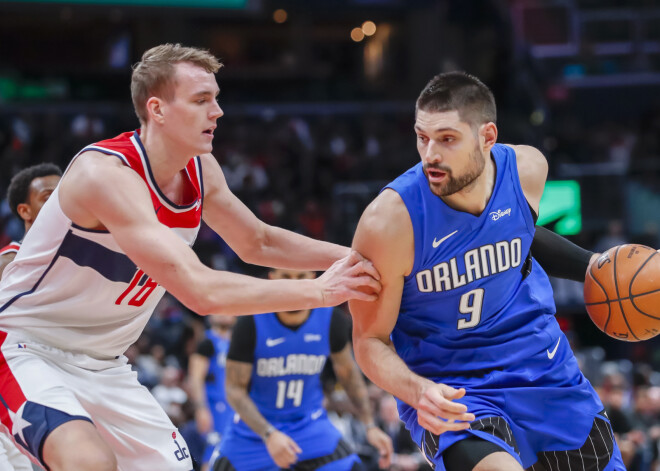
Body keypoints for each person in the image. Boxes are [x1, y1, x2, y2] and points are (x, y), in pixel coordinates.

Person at [0, 44, 380, 471]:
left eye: (215, 99)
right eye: (202, 100)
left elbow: (258, 241)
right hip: (26, 346)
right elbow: (200, 291)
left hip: (105, 364)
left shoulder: (202, 168)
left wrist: (358, 258)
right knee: (87, 461)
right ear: (157, 109)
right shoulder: (103, 174)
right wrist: (321, 290)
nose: (217, 112)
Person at [349, 71, 625, 471]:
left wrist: (593, 266)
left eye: (447, 139)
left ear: (487, 136)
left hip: (545, 371)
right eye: (422, 137)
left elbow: (519, 232)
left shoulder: (528, 169)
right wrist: (418, 391)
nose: (430, 155)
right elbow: (369, 340)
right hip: (454, 391)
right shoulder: (389, 222)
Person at [210, 268, 393, 471]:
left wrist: (370, 425)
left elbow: (349, 375)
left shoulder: (332, 319)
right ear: (272, 278)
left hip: (310, 426)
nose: (293, 284)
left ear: (313, 277)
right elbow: (234, 390)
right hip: (255, 432)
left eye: (301, 277)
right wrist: (269, 434)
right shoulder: (249, 323)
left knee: (354, 466)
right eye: (286, 277)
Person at [187, 314, 236, 470]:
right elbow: (195, 378)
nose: (225, 314)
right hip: (215, 408)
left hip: (234, 408)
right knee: (213, 454)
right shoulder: (207, 343)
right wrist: (201, 408)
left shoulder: (237, 342)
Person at [0, 163, 62, 278]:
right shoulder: (7, 264)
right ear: (25, 211)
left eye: (62, 196)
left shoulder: (82, 253)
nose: (60, 203)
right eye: (48, 198)